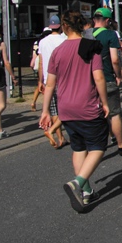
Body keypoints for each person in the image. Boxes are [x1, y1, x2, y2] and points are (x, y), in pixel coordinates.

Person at [39, 11, 109, 213]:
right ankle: (78, 183)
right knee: (98, 146)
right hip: (87, 105)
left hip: (65, 108)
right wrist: (105, 102)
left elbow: (50, 84)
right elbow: (99, 78)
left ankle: (86, 191)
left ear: (64, 26)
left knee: (78, 148)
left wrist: (45, 110)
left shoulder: (58, 51)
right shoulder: (91, 47)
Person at [88, 7, 122, 155]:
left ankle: (96, 145)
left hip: (89, 81)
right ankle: (121, 145)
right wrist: (119, 75)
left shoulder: (85, 34)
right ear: (108, 21)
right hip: (106, 77)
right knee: (114, 112)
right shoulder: (110, 34)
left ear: (94, 19)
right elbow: (115, 59)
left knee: (95, 114)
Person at [36, 16, 68, 148]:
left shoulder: (43, 42)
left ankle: (60, 138)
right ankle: (57, 131)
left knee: (54, 110)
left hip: (48, 79)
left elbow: (41, 62)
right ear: (60, 26)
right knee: (67, 109)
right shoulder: (64, 39)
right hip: (63, 78)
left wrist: (40, 81)